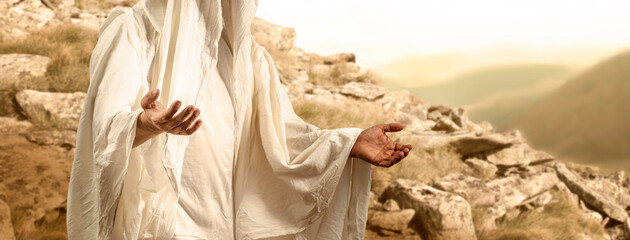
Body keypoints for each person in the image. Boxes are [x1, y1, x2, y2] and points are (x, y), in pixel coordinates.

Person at [67, 0, 413, 239]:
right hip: (162, 226)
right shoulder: (136, 31)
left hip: (225, 226)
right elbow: (104, 130)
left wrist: (348, 142)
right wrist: (145, 124)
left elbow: (280, 138)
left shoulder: (248, 57)